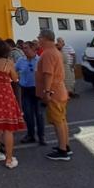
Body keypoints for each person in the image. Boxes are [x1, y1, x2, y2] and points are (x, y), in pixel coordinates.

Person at [37, 29, 71, 161]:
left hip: (54, 92)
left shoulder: (48, 53)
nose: (38, 39)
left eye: (39, 37)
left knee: (58, 121)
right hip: (59, 90)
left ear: (45, 38)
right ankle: (65, 145)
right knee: (61, 120)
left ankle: (63, 151)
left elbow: (48, 74)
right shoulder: (55, 52)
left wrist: (46, 92)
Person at [15, 42, 45, 145]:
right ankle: (31, 134)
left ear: (33, 49)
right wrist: (17, 78)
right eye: (23, 48)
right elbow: (14, 70)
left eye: (26, 48)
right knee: (28, 114)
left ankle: (41, 136)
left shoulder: (40, 60)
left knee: (39, 114)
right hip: (25, 89)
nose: (24, 50)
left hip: (37, 89)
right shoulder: (20, 60)